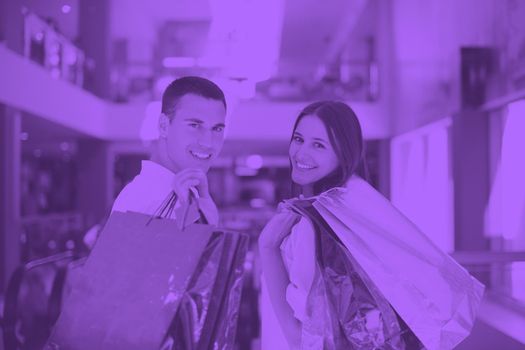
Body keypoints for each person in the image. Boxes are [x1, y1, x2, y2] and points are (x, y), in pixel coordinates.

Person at [258, 101, 483, 350]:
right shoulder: (360, 203)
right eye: (299, 139)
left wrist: (267, 247)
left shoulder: (313, 224)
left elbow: (300, 337)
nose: (301, 154)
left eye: (318, 145)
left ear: (343, 153)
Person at [112, 76, 227, 225]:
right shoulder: (147, 199)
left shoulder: (181, 194)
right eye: (194, 125)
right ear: (164, 126)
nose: (208, 142)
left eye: (217, 129)